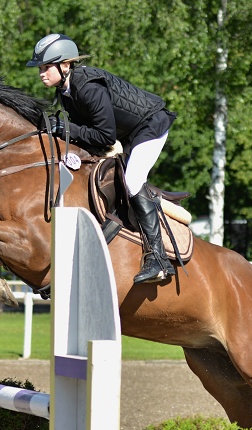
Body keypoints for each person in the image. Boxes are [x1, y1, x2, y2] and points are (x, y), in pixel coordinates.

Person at [27, 33, 177, 285]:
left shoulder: (88, 88)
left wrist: (65, 128)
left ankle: (158, 259)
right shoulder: (65, 91)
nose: (41, 73)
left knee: (132, 180)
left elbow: (105, 137)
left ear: (65, 65)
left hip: (151, 125)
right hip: (129, 133)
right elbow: (88, 132)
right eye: (40, 68)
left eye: (46, 67)